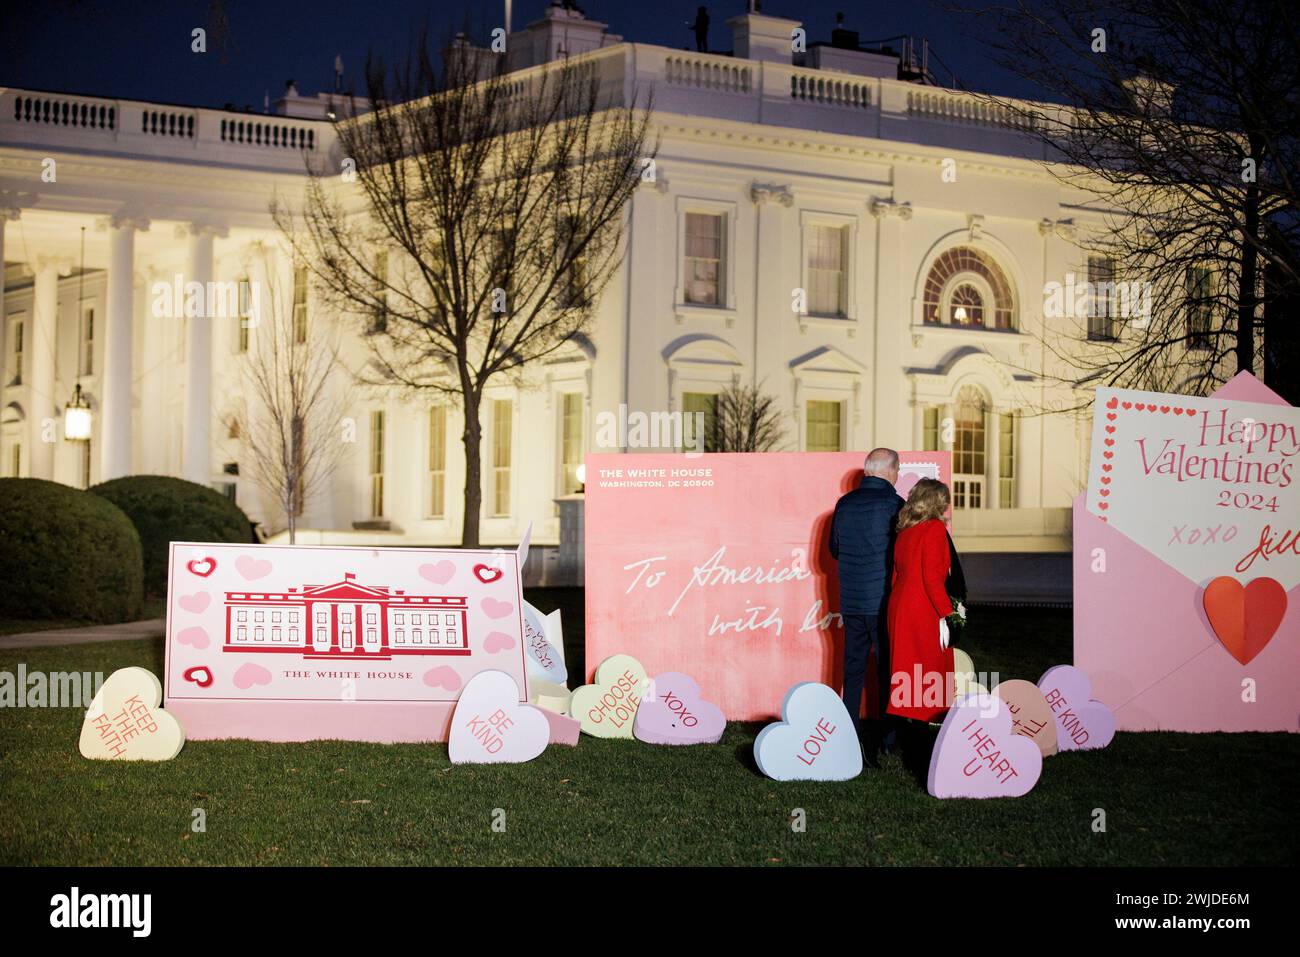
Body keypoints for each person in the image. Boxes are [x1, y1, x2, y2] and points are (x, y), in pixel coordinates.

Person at [829, 447, 903, 763]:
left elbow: (834, 549)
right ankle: (888, 740)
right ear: (891, 471)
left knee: (853, 670)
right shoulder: (895, 505)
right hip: (883, 602)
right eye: (897, 472)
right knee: (887, 670)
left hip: (851, 601)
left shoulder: (844, 504)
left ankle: (848, 735)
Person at [886, 478, 956, 727]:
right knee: (928, 670)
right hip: (923, 607)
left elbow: (896, 575)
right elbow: (932, 579)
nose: (948, 504)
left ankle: (908, 724)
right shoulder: (934, 529)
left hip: (900, 605)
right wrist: (949, 614)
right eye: (945, 499)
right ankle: (926, 729)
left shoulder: (905, 531)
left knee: (907, 670)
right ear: (936, 501)